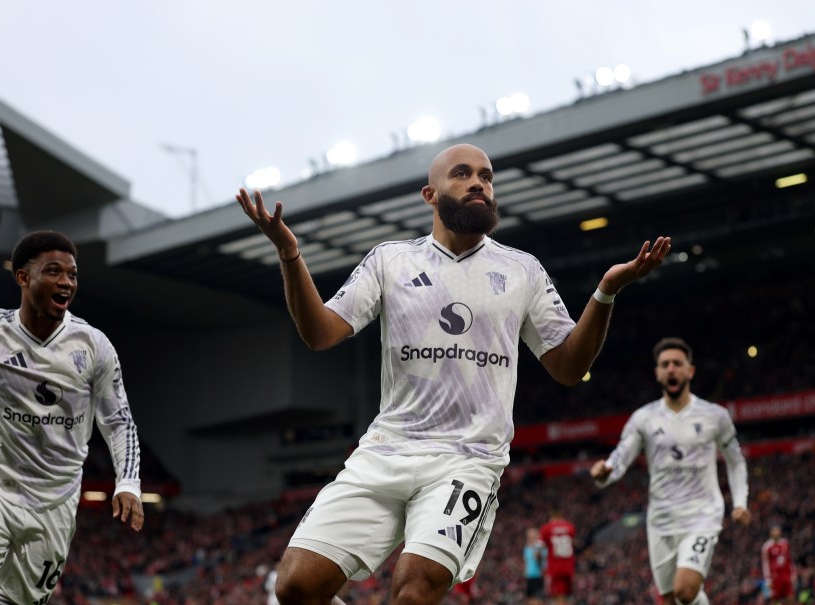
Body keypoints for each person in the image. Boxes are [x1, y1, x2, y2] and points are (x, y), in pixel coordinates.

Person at [236, 143, 670, 605]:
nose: (478, 182)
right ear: (430, 194)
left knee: (413, 590)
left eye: (486, 175)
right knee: (295, 587)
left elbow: (568, 367)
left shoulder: (522, 270)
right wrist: (289, 254)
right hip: (386, 451)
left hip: (468, 459)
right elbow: (320, 333)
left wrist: (605, 292)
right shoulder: (391, 260)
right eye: (462, 174)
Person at [0, 231, 144, 605]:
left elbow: (119, 421)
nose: (66, 282)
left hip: (56, 502)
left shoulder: (93, 345)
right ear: (23, 277)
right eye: (54, 272)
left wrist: (128, 482)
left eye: (72, 275)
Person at [589, 337, 751, 605]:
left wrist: (740, 502)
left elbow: (736, 461)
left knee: (685, 592)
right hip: (661, 520)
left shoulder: (715, 415)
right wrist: (605, 473)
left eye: (677, 363)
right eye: (665, 364)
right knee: (669, 599)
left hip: (702, 515)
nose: (671, 369)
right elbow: (621, 455)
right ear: (657, 373)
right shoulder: (644, 418)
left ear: (690, 370)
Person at [539, 508, 575, 605]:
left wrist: (541, 564)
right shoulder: (570, 527)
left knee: (557, 596)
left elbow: (541, 547)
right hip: (568, 566)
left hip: (555, 566)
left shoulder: (547, 528)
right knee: (566, 595)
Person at [761, 523, 795, 605]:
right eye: (774, 531)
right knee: (775, 600)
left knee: (790, 598)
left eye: (777, 530)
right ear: (771, 533)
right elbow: (765, 564)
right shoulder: (766, 547)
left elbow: (789, 559)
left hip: (786, 575)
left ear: (780, 532)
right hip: (775, 577)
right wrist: (767, 579)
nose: (776, 532)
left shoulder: (785, 543)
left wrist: (793, 573)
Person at [523, 528, 547, 605]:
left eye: (533, 537)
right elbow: (526, 561)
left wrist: (536, 548)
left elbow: (540, 560)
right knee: (530, 599)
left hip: (538, 576)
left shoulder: (541, 547)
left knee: (538, 600)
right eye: (529, 537)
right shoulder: (527, 547)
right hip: (529, 577)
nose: (530, 539)